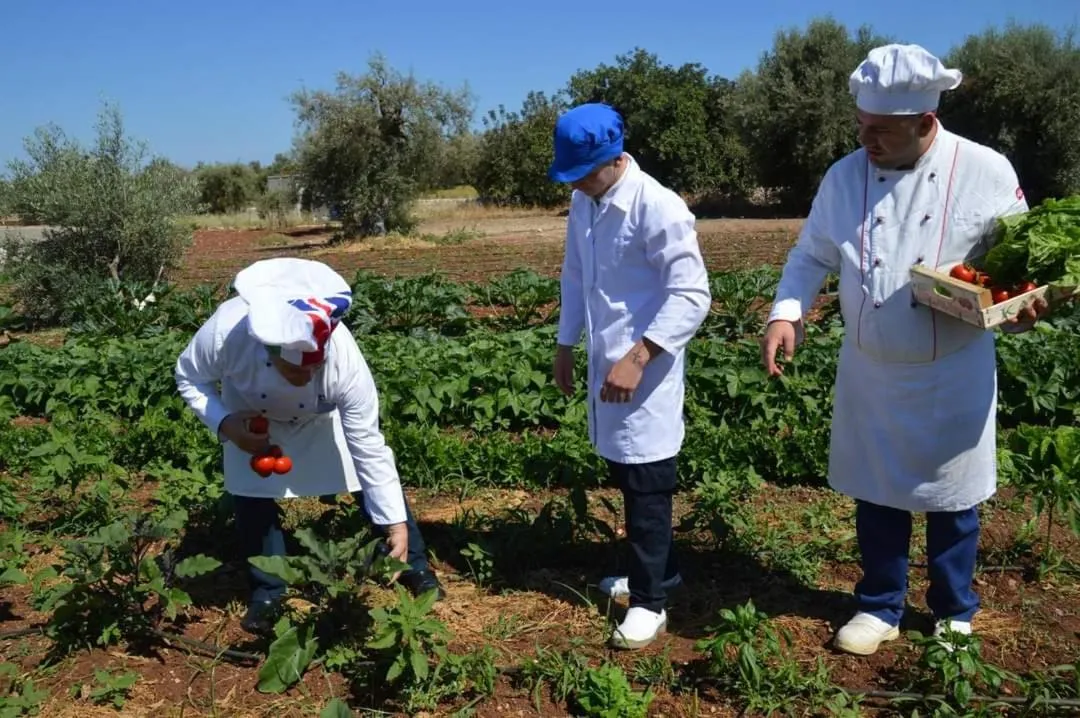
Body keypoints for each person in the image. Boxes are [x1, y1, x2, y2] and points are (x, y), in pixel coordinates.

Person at [760, 44, 1049, 656]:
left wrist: (1023, 307)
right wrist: (787, 311)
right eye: (862, 127)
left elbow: (1018, 266)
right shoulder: (844, 177)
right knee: (878, 491)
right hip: (871, 369)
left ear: (925, 123)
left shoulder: (986, 171)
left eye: (881, 131)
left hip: (953, 366)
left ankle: (953, 612)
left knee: (954, 497)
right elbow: (811, 254)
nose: (867, 140)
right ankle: (879, 605)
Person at [175, 257, 444, 633]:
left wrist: (395, 522)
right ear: (268, 350)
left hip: (321, 418)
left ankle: (413, 561)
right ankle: (268, 590)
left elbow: (368, 445)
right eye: (295, 369)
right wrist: (225, 424)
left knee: (362, 476)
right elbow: (188, 377)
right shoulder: (225, 332)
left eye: (313, 368)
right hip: (252, 416)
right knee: (251, 493)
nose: (304, 377)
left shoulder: (346, 363)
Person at [549, 103, 712, 650]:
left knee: (647, 481)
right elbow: (575, 274)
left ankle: (650, 603)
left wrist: (638, 356)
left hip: (647, 369)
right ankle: (656, 573)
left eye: (583, 172)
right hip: (605, 362)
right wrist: (565, 342)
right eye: (569, 174)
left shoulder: (657, 206)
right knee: (625, 469)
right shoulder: (585, 200)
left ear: (614, 159)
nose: (576, 183)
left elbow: (692, 295)